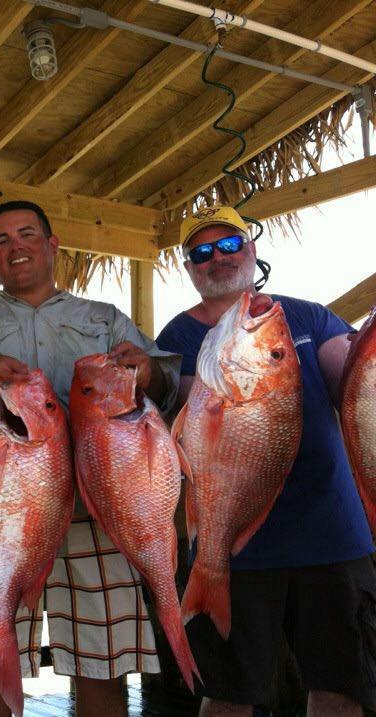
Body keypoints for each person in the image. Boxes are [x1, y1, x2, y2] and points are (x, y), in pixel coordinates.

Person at [0, 200, 180, 717]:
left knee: (103, 666)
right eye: (1, 241)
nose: (15, 247)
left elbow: (166, 385)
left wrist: (148, 372)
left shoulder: (103, 318)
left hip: (97, 520)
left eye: (26, 234)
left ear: (52, 244)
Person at [155, 206, 376, 716]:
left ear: (252, 250)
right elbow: (188, 424)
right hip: (233, 548)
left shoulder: (305, 316)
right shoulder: (178, 338)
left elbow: (353, 380)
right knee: (228, 696)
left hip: (332, 534)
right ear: (189, 269)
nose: (218, 257)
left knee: (342, 689)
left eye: (230, 244)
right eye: (202, 252)